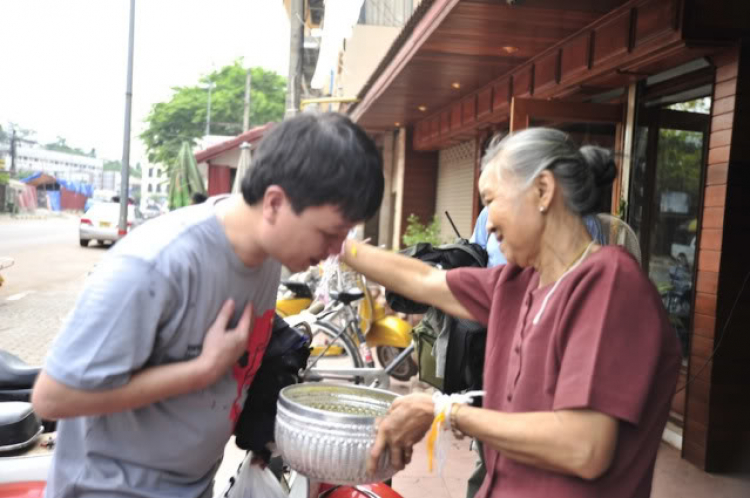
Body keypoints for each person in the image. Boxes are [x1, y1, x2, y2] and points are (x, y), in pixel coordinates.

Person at [31, 112, 384, 498]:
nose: (336, 252)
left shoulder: (267, 260)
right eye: (329, 233)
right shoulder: (155, 266)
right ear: (274, 203)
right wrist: (200, 371)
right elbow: (52, 397)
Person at [341, 127, 681, 498]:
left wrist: (444, 411)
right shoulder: (519, 282)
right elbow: (423, 279)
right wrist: (337, 244)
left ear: (542, 191)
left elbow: (584, 447)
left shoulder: (610, 284)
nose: (487, 222)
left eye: (491, 200)